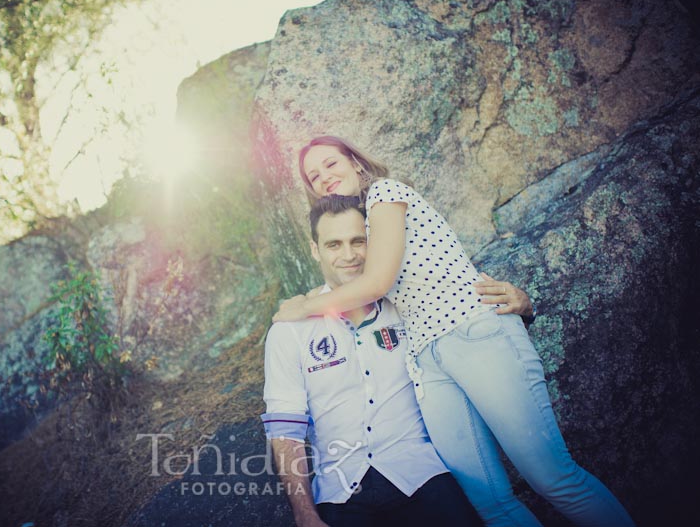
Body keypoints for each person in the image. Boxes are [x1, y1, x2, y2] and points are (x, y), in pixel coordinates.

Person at [272, 136, 635, 527]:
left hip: (470, 332)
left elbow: (377, 283)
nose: (323, 177)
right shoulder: (362, 230)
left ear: (356, 164)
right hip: (428, 364)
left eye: (330, 164)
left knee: (555, 479)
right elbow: (356, 278)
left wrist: (304, 307)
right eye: (313, 176)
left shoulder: (385, 194)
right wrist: (317, 296)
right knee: (490, 502)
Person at [263, 194, 484, 527]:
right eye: (334, 244)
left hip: (419, 471)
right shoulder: (289, 332)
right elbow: (286, 428)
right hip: (341, 489)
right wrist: (305, 514)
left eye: (358, 241)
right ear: (315, 250)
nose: (349, 255)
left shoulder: (405, 306)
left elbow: (464, 306)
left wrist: (520, 303)